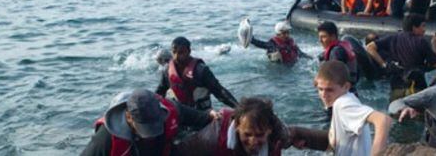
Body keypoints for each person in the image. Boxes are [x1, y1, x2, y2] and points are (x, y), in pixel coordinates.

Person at [81, 89, 217, 156]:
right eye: (145, 128)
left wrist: (211, 115)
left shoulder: (171, 109)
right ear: (129, 118)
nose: (151, 135)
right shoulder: (106, 139)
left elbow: (197, 117)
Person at [309, 61, 393, 156]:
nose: (324, 95)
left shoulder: (343, 104)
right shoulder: (349, 99)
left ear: (346, 87)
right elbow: (338, 143)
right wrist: (308, 142)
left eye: (329, 90)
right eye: (320, 89)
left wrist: (376, 154)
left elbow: (383, 120)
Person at [173, 97, 297, 156]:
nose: (253, 141)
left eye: (259, 135)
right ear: (237, 126)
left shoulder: (277, 137)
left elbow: (298, 136)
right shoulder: (213, 137)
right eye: (247, 134)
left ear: (269, 130)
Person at [365, 13, 436, 101]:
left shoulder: (393, 38)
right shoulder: (421, 41)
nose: (424, 30)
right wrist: (435, 44)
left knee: (395, 112)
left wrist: (384, 65)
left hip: (396, 88)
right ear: (414, 27)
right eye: (423, 26)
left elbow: (370, 47)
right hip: (415, 88)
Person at [156, 37, 239, 110]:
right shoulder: (168, 70)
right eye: (174, 52)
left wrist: (238, 108)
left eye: (181, 52)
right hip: (180, 115)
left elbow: (219, 91)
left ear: (189, 51)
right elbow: (159, 92)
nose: (177, 56)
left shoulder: (201, 70)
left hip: (202, 115)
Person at [317, 21, 359, 91]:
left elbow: (335, 77)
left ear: (333, 37)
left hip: (342, 93)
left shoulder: (336, 52)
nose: (320, 40)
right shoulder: (341, 47)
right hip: (350, 91)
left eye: (323, 37)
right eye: (319, 37)